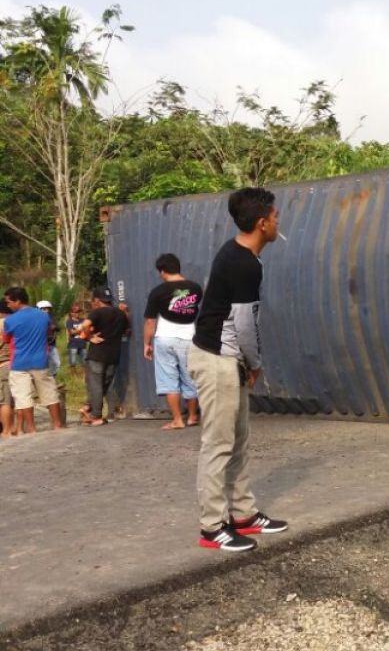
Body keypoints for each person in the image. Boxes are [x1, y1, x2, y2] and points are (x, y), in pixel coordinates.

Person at [190, 187, 288, 551]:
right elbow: (244, 324)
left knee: (239, 440)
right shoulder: (242, 263)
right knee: (218, 445)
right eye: (276, 217)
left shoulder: (242, 254)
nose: (279, 223)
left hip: (230, 358)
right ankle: (212, 527)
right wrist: (255, 363)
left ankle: (243, 515)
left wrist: (245, 361)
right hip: (217, 360)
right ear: (262, 223)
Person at [143, 253, 204, 430]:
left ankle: (178, 420)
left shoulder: (158, 292)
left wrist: (147, 343)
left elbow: (150, 321)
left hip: (165, 338)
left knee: (169, 379)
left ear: (162, 271)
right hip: (189, 338)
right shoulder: (196, 288)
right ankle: (192, 416)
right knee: (190, 377)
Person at [2, 287, 65, 433]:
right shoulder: (43, 316)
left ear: (17, 301)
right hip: (40, 361)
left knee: (23, 396)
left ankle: (31, 429)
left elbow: (6, 339)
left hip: (19, 363)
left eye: (9, 302)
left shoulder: (10, 320)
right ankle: (57, 425)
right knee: (50, 392)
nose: (8, 305)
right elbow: (49, 332)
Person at [77, 287, 131, 426]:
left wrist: (90, 337)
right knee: (104, 385)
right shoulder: (120, 314)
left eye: (93, 301)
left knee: (95, 385)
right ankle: (95, 410)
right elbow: (127, 328)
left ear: (96, 301)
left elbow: (84, 325)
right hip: (113, 355)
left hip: (97, 354)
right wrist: (126, 313)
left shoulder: (97, 312)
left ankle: (95, 415)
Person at [37, 300, 61, 379]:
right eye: (44, 309)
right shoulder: (36, 320)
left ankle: (51, 379)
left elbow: (58, 327)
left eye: (48, 309)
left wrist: (54, 327)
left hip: (51, 345)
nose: (46, 311)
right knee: (43, 365)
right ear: (39, 309)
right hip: (41, 346)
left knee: (57, 363)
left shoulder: (51, 319)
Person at [0, 300, 14, 437]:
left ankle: (6, 430)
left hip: (3, 365)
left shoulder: (2, 324)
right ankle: (15, 427)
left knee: (4, 401)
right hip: (16, 364)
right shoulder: (15, 323)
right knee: (14, 399)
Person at [66, 305, 86, 371]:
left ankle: (83, 376)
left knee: (84, 362)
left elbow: (88, 329)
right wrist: (81, 328)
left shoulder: (83, 320)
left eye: (77, 312)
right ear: (71, 313)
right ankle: (73, 377)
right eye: (74, 312)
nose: (76, 313)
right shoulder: (69, 321)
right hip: (73, 344)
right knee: (73, 362)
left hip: (82, 343)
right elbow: (72, 332)